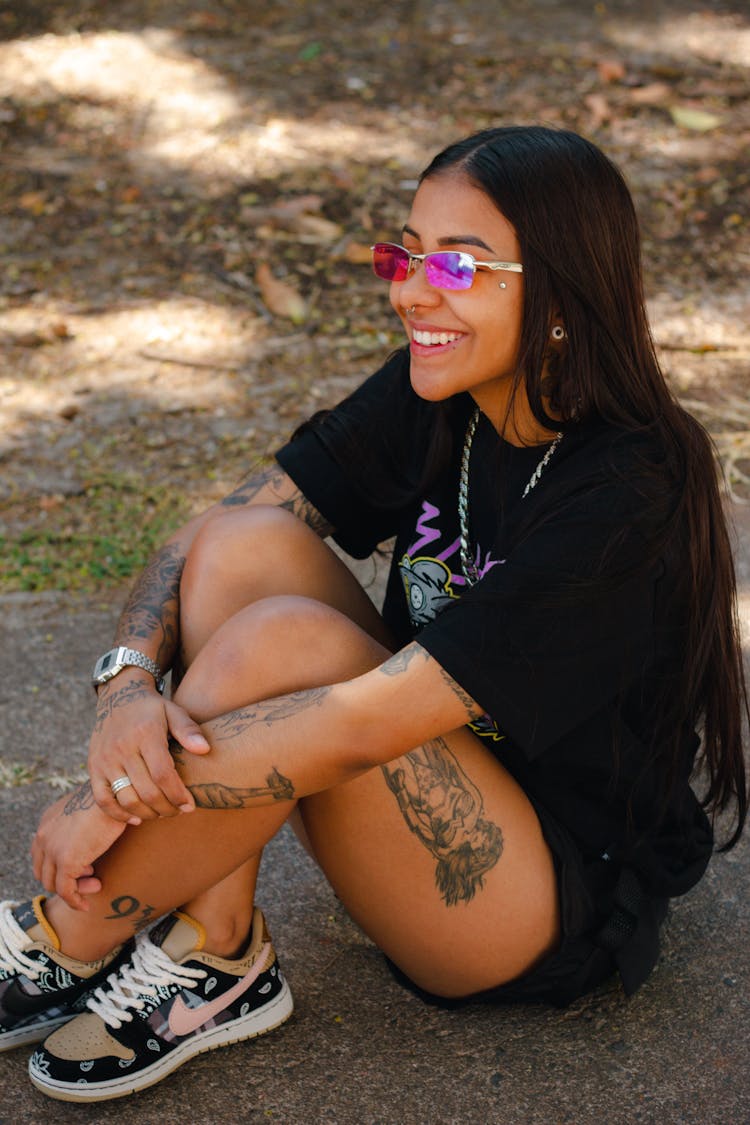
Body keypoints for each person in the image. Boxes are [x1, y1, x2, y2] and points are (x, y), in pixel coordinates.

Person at [1, 125, 747, 1103]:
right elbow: (210, 535)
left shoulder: (630, 489)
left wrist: (108, 805)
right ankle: (217, 948)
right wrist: (127, 688)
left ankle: (71, 929)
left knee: (288, 640)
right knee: (242, 548)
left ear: (562, 293)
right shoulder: (453, 381)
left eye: (456, 265)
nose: (410, 291)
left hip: (537, 896)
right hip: (417, 763)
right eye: (407, 253)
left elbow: (368, 717)